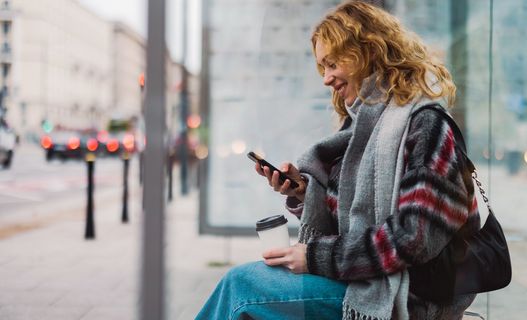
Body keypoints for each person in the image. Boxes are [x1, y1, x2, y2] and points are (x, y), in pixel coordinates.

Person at [196, 1, 480, 319]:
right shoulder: (363, 130)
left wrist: (313, 257)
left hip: (412, 296)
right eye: (323, 67)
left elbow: (414, 237)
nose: (326, 79)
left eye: (332, 64)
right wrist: (305, 192)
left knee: (242, 287)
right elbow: (352, 217)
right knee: (246, 286)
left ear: (368, 51)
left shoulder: (427, 126)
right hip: (369, 281)